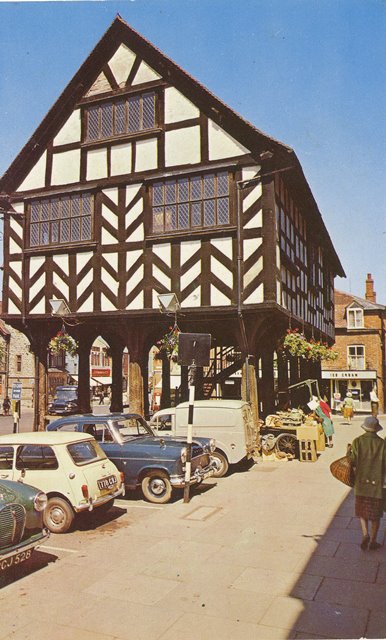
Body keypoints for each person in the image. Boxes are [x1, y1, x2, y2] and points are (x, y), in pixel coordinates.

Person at [349, 416, 386, 551]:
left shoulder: (357, 441)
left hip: (361, 483)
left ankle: (365, 534)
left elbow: (352, 461)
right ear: (376, 429)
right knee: (375, 514)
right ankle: (373, 541)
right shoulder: (382, 444)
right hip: (377, 485)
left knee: (362, 511)